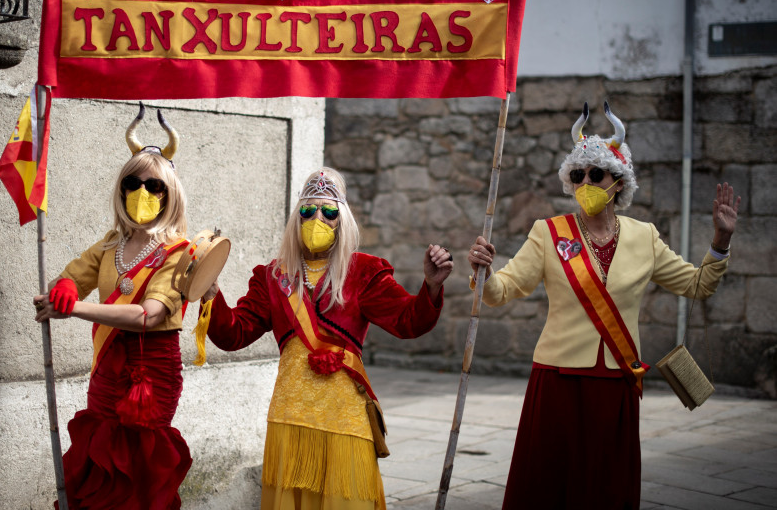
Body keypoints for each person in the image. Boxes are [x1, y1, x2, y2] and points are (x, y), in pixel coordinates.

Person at [468, 102, 740, 510]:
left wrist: (720, 242)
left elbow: (697, 285)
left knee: (605, 488)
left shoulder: (644, 236)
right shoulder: (548, 232)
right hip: (557, 377)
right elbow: (503, 290)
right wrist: (484, 273)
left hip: (615, 382)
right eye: (578, 175)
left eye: (596, 174)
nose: (586, 182)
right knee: (548, 484)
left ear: (619, 181)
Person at [199, 167, 453, 510]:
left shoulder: (364, 272)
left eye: (329, 211)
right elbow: (234, 334)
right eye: (308, 210)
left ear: (341, 220)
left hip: (344, 418)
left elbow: (408, 321)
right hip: (291, 417)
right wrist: (210, 294)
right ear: (296, 218)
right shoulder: (273, 277)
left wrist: (432, 286)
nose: (317, 218)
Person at [34, 105, 194, 509]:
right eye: (133, 183)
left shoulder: (180, 252)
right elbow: (70, 277)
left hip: (151, 371)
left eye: (155, 186)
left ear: (170, 193)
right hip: (107, 368)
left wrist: (74, 309)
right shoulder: (111, 243)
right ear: (121, 189)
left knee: (139, 471)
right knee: (99, 456)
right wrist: (64, 289)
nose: (143, 192)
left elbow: (148, 315)